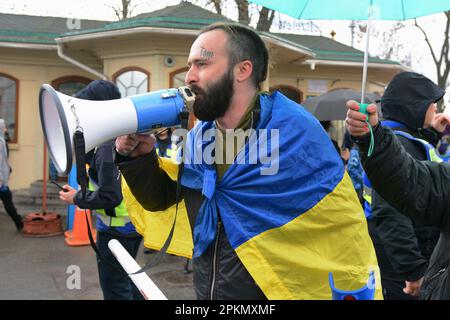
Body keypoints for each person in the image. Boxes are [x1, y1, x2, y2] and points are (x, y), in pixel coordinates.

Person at [115, 22, 381, 300]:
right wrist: (139, 157)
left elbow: (331, 223)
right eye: (189, 66)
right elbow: (164, 199)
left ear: (243, 70)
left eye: (202, 64)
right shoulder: (198, 136)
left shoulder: (295, 130)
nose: (190, 77)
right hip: (209, 290)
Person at [345, 86, 450, 300]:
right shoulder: (399, 139)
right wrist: (413, 270)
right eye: (431, 103)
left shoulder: (409, 138)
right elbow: (409, 183)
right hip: (400, 261)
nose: (437, 109)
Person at [58, 80, 143, 300]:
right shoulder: (116, 139)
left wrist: (76, 197)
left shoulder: (107, 145)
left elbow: (110, 196)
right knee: (130, 282)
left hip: (116, 232)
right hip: (130, 228)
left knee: (116, 290)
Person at [0, 119, 23, 231]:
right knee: (8, 203)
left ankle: (19, 222)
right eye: (3, 127)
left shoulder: (2, 141)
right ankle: (19, 223)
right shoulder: (0, 143)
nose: (5, 129)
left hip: (2, 180)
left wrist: (8, 171)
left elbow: (4, 161)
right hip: (0, 181)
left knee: (8, 202)